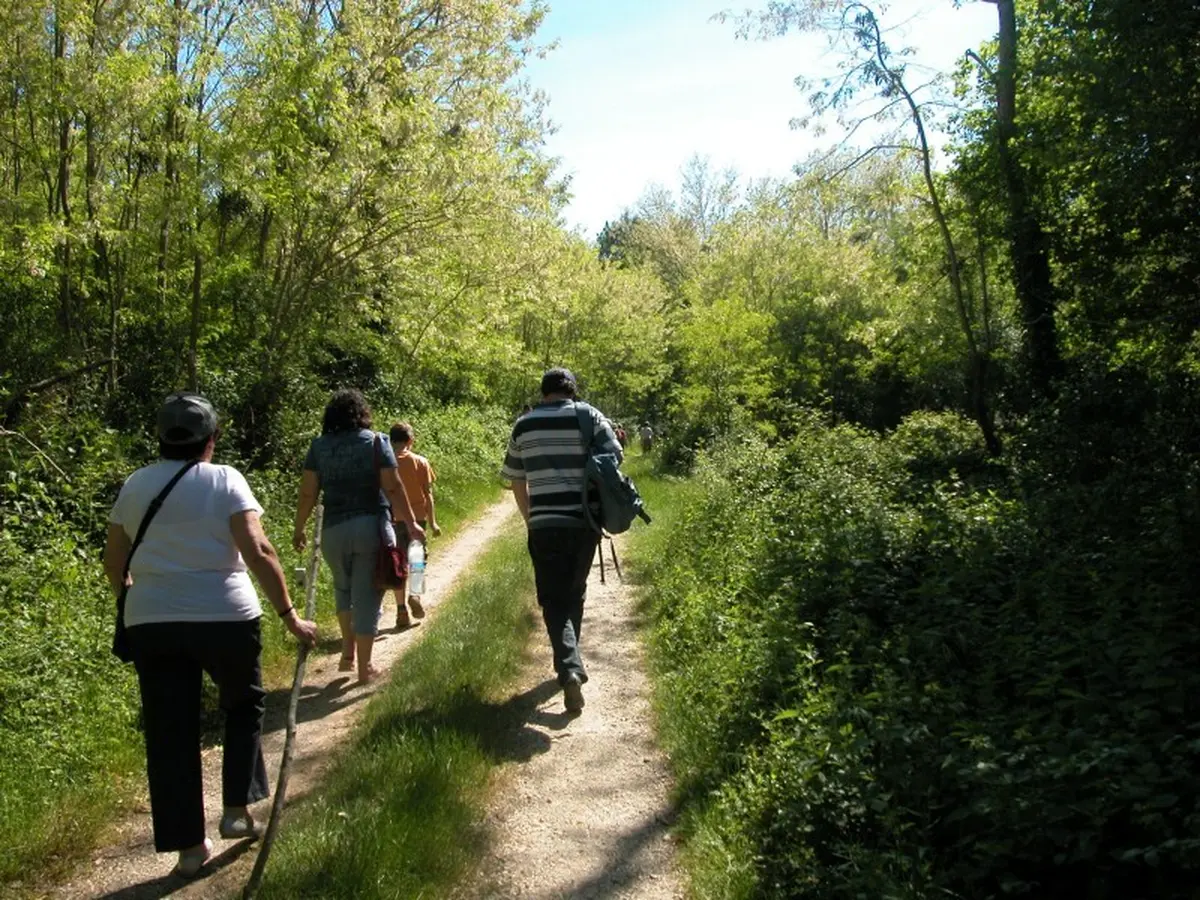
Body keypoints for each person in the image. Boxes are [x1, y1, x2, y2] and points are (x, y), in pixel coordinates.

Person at [103, 392, 318, 878]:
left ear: (161, 438)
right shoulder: (225, 480)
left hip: (151, 621)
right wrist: (289, 616)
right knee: (242, 705)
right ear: (211, 440)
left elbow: (114, 562)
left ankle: (188, 849)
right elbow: (259, 550)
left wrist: (138, 596)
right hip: (225, 614)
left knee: (169, 730)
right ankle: (237, 810)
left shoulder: (136, 484)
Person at [500, 367, 623, 714]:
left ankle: (569, 666)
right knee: (575, 590)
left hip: (544, 524)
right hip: (584, 522)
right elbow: (616, 457)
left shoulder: (524, 425)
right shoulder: (590, 416)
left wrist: (530, 519)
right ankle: (570, 661)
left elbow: (515, 479)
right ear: (572, 390)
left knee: (553, 598)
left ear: (543, 393)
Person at [293, 389, 424, 684]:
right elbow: (393, 486)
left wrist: (299, 527)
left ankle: (347, 651)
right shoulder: (378, 441)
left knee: (343, 588)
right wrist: (412, 523)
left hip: (332, 531)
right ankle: (365, 667)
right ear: (362, 414)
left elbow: (308, 492)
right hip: (370, 526)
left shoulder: (319, 447)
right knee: (368, 594)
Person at [388, 421, 441, 628]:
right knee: (417, 559)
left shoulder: (385, 464)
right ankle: (415, 595)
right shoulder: (420, 462)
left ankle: (401, 610)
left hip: (392, 519)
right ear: (410, 440)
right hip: (417, 519)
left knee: (398, 565)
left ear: (391, 441)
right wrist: (434, 523)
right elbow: (428, 495)